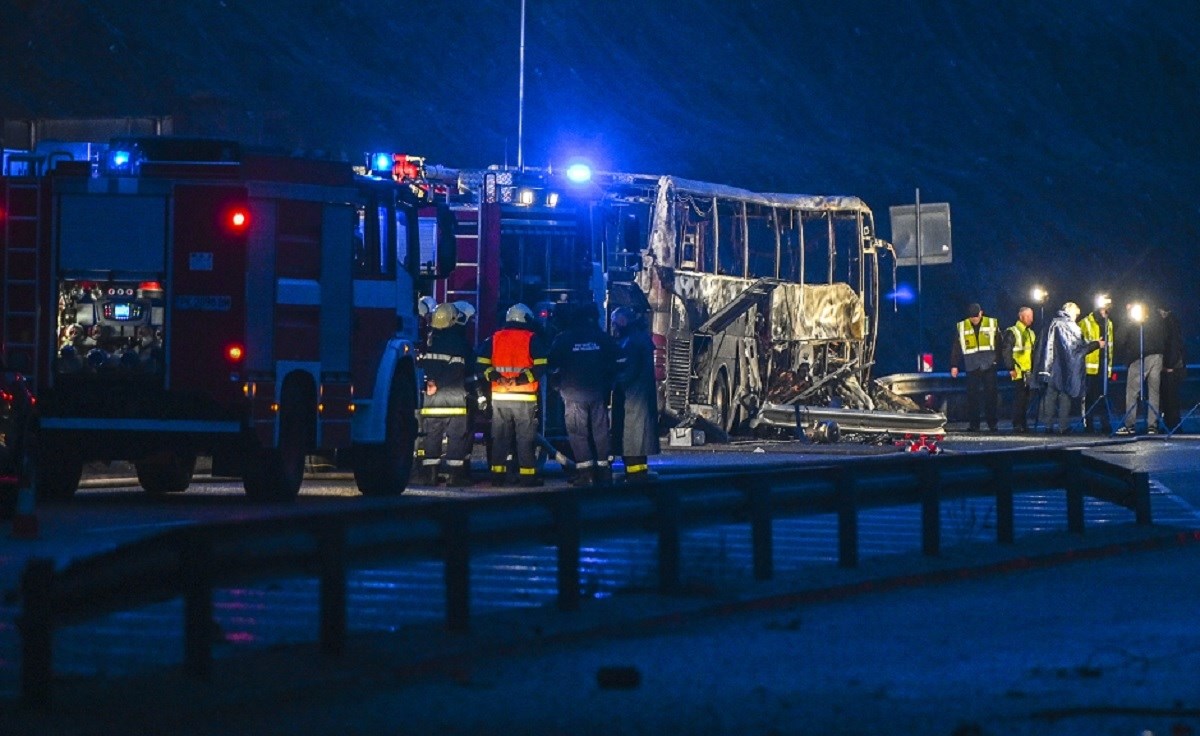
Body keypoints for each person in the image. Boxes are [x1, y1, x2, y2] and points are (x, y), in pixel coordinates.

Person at [477, 303, 549, 487]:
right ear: (525, 318)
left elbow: (481, 365)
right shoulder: (532, 338)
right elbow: (541, 366)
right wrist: (519, 381)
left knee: (500, 438)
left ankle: (497, 476)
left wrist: (498, 378)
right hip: (524, 398)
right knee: (525, 439)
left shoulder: (494, 338)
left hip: (500, 397)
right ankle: (527, 477)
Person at [549, 302, 618, 487]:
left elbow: (551, 365)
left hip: (572, 394)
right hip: (597, 393)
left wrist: (558, 387)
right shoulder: (602, 338)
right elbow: (617, 361)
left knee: (578, 434)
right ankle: (604, 472)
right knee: (601, 432)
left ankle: (585, 474)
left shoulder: (564, 339)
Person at [416, 302, 475, 486]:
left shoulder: (427, 340)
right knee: (456, 437)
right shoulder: (459, 341)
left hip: (431, 399)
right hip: (454, 398)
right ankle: (455, 477)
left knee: (431, 436)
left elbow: (421, 366)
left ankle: (430, 476)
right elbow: (460, 370)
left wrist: (430, 383)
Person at [1033, 301, 1102, 434]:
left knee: (1050, 396)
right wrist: (1096, 344)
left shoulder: (1051, 323)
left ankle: (1048, 426)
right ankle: (1063, 427)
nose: (1076, 318)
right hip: (1064, 369)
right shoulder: (1070, 326)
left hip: (1049, 368)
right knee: (1065, 396)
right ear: (1071, 312)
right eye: (1076, 314)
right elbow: (1077, 349)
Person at [611, 306, 660, 481]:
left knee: (631, 440)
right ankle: (638, 474)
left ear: (622, 321)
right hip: (640, 398)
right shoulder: (640, 338)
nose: (613, 327)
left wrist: (611, 381)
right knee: (639, 442)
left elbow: (627, 372)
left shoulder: (629, 342)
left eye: (614, 323)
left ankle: (634, 476)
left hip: (631, 399)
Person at [1116, 302, 1166, 435]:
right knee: (1154, 393)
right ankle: (1152, 426)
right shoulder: (1156, 321)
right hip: (1157, 356)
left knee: (1132, 392)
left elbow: (1120, 338)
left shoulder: (1132, 323)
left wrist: (1127, 320)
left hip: (1140, 357)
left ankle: (1130, 425)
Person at [949, 302, 999, 432]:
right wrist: (954, 365)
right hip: (972, 365)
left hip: (989, 365)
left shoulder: (992, 323)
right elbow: (957, 347)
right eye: (972, 318)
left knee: (991, 396)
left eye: (976, 317)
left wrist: (996, 361)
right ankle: (974, 424)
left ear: (981, 313)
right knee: (972, 397)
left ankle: (992, 423)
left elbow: (999, 343)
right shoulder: (962, 326)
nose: (974, 320)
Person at [1079, 298, 1115, 434]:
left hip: (1103, 366)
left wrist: (1109, 369)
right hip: (1089, 368)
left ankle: (1105, 424)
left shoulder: (1109, 323)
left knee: (1103, 396)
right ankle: (1089, 425)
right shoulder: (1085, 323)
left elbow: (1110, 346)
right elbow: (1081, 345)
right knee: (1089, 398)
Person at [1000, 306, 1036, 432]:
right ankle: (1017, 424)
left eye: (1032, 316)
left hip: (1028, 372)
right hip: (1018, 371)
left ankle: (1023, 423)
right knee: (1019, 399)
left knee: (1026, 399)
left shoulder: (1030, 333)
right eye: (1028, 316)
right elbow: (1006, 351)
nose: (1031, 319)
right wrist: (1011, 368)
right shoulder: (1013, 331)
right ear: (1021, 317)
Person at [1159, 305, 1185, 432]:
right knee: (1168, 397)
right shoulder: (1172, 322)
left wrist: (1169, 365)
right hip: (1172, 365)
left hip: (1172, 367)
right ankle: (1171, 423)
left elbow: (1174, 346)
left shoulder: (1170, 323)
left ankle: (1173, 424)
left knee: (1170, 398)